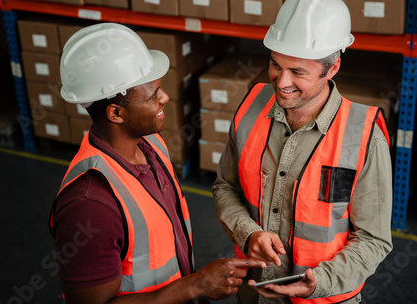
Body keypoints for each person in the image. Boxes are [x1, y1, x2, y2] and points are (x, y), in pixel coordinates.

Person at [48, 23, 266, 304]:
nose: (165, 98)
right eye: (153, 96)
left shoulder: (152, 145)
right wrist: (196, 285)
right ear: (116, 113)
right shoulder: (91, 204)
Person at [211, 0, 393, 304]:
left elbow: (373, 239)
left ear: (332, 68)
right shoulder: (251, 106)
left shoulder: (364, 135)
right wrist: (247, 232)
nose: (282, 82)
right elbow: (225, 187)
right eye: (276, 65)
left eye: (298, 72)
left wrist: (320, 282)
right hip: (255, 293)